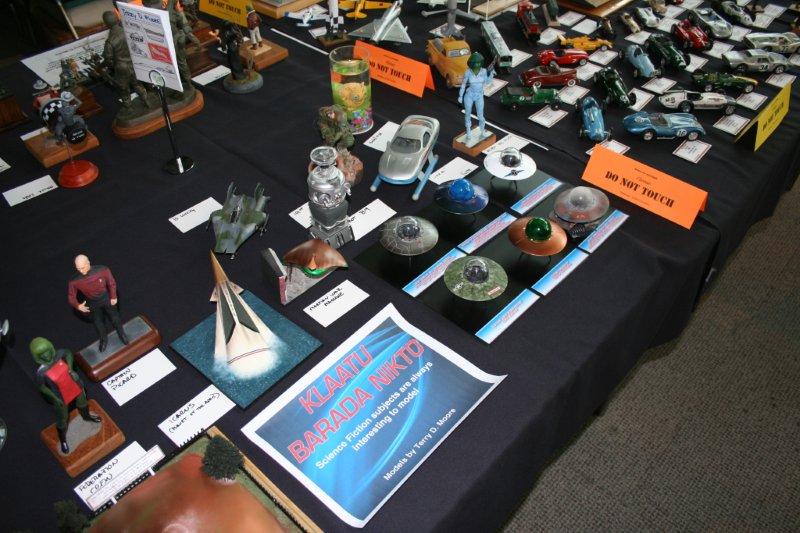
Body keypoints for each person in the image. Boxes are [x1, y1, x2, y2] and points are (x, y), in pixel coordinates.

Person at [31, 337, 101, 454]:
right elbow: (42, 387)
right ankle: (63, 440)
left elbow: (68, 353)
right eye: (42, 354)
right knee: (62, 419)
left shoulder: (59, 354)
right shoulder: (41, 372)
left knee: (83, 404)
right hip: (60, 395)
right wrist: (54, 397)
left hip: (74, 385)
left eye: (46, 351)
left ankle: (87, 416)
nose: (46, 355)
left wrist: (70, 368)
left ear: (50, 348)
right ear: (38, 357)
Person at [68, 255, 129, 352]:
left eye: (83, 267)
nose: (81, 271)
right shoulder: (74, 281)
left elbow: (111, 283)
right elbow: (71, 296)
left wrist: (113, 296)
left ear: (88, 263)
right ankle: (103, 339)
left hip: (106, 298)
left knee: (115, 318)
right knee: (98, 322)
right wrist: (78, 306)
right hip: (92, 303)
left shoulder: (102, 270)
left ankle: (122, 334)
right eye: (78, 269)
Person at [101, 11, 151, 110]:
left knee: (123, 88)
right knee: (137, 84)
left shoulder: (110, 41)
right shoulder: (129, 32)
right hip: (134, 63)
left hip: (121, 67)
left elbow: (108, 60)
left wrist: (112, 67)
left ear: (106, 24)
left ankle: (128, 107)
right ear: (117, 19)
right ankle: (146, 100)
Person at [458, 52, 495, 143]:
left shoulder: (484, 71)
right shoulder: (468, 72)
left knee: (480, 115)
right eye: (475, 63)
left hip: (479, 95)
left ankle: (482, 130)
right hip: (469, 95)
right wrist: (460, 95)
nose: (477, 64)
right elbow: (463, 84)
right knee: (467, 113)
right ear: (471, 63)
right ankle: (468, 130)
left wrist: (490, 74)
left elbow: (487, 82)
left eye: (479, 62)